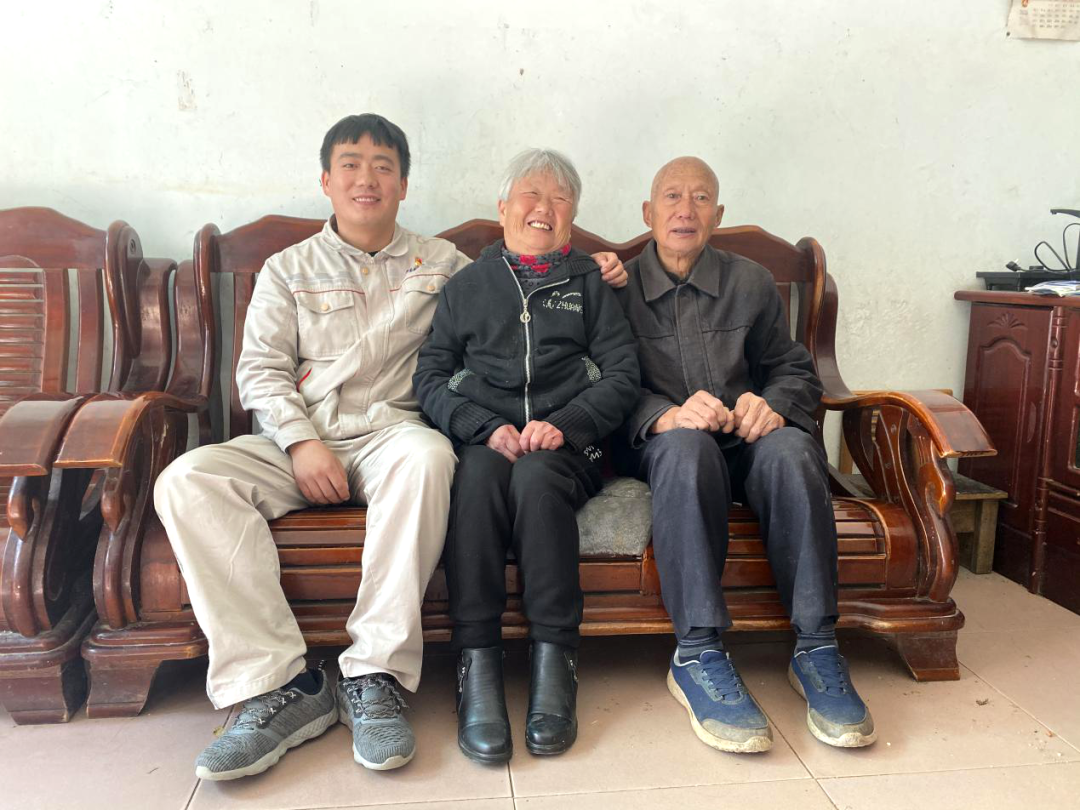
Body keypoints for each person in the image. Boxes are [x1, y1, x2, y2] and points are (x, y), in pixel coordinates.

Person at [154, 115, 629, 781]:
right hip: (299, 441)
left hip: (392, 439)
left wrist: (596, 268)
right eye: (351, 164)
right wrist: (300, 441)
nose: (367, 179)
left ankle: (373, 675)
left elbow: (520, 272)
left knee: (430, 458)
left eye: (383, 167)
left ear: (403, 185)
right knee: (186, 480)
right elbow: (259, 371)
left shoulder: (444, 264)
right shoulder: (288, 269)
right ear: (327, 180)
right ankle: (277, 687)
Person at [614, 156, 876, 754]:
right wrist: (665, 414)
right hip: (670, 449)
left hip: (746, 441)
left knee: (793, 450)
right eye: (672, 197)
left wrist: (773, 405)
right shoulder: (619, 291)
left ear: (719, 214)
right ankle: (697, 652)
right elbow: (607, 384)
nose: (685, 210)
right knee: (686, 448)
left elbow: (792, 368)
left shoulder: (751, 282)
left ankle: (816, 647)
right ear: (648, 212)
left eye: (701, 198)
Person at [414, 148, 640, 763]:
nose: (544, 207)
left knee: (537, 479)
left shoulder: (591, 284)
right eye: (531, 195)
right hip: (486, 440)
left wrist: (564, 424)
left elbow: (624, 374)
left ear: (572, 217)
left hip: (570, 445)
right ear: (503, 208)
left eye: (560, 198)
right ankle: (476, 659)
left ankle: (555, 657)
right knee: (478, 479)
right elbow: (430, 377)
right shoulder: (467, 286)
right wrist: (482, 426)